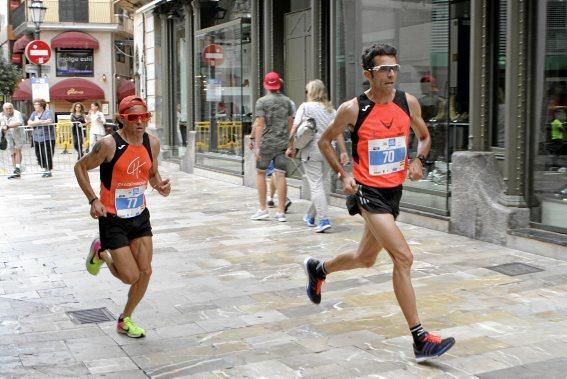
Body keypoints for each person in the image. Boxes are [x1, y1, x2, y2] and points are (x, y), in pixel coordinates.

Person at [304, 44, 455, 362]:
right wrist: (343, 175)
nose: (390, 74)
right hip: (367, 193)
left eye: (394, 68)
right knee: (403, 257)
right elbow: (324, 140)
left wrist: (419, 161)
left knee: (365, 258)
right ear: (368, 74)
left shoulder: (407, 102)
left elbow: (424, 137)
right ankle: (420, 339)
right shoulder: (352, 109)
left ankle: (319, 269)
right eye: (384, 69)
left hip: (393, 192)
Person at [74, 95, 171, 338]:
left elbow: (151, 172)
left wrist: (159, 185)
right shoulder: (108, 145)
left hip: (139, 216)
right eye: (133, 117)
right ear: (121, 119)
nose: (140, 122)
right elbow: (80, 167)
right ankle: (101, 252)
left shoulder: (152, 143)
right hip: (113, 218)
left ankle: (125, 319)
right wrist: (93, 200)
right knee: (130, 277)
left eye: (144, 117)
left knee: (146, 271)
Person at [286, 79, 349, 232]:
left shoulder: (305, 107)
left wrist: (290, 147)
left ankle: (324, 220)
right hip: (329, 152)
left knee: (316, 185)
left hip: (311, 151)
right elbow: (338, 133)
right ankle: (310, 216)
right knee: (322, 184)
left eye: (307, 91)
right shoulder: (332, 110)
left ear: (311, 92)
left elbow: (294, 128)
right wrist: (344, 152)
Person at [250, 71, 294, 222]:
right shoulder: (287, 101)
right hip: (282, 143)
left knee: (261, 173)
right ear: (279, 84)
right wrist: (291, 144)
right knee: (281, 175)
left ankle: (263, 209)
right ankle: (281, 212)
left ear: (265, 85)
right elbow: (290, 123)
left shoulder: (261, 102)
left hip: (266, 144)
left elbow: (260, 123)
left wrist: (257, 146)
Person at [28, 99, 55, 178]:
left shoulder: (48, 112)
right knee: (39, 154)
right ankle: (44, 168)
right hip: (36, 137)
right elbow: (29, 122)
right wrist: (40, 122)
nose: (34, 106)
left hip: (47, 137)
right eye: (34, 104)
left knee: (46, 154)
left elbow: (49, 121)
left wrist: (36, 123)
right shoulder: (34, 113)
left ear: (41, 105)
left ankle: (48, 170)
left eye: (36, 105)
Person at [1, 102, 25, 179]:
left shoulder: (17, 113)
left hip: (17, 134)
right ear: (3, 109)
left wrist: (8, 126)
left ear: (12, 108)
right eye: (6, 109)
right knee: (12, 153)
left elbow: (19, 122)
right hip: (8, 136)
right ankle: (15, 171)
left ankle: (18, 168)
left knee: (17, 150)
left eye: (10, 108)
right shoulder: (1, 115)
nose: (9, 110)